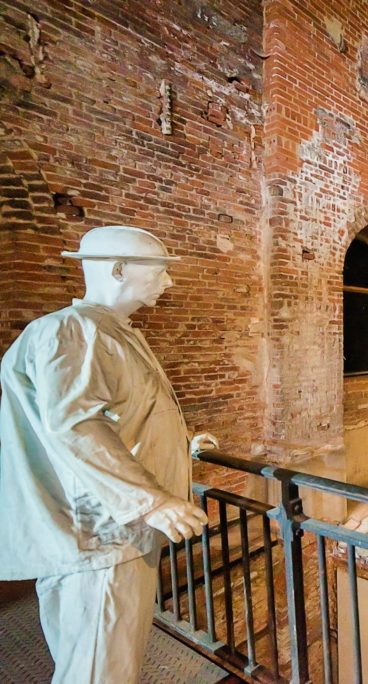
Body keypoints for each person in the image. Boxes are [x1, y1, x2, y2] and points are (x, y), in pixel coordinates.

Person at [0, 225, 217, 683]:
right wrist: (152, 502)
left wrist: (181, 445)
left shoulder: (109, 332)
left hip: (116, 532)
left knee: (103, 660)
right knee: (100, 668)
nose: (168, 281)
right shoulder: (73, 331)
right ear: (118, 270)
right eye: (159, 270)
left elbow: (122, 418)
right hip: (102, 536)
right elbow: (76, 427)